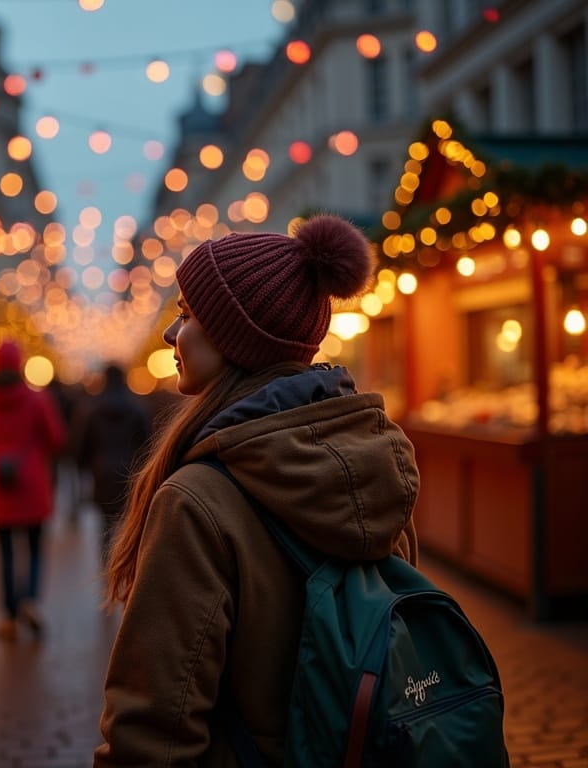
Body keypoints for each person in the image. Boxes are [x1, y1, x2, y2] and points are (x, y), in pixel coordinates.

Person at [93, 214, 421, 766]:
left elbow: (153, 728)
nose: (172, 334)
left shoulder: (198, 498)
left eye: (187, 315)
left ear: (233, 337)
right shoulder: (378, 460)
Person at [0, 339, 66, 641]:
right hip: (33, 484)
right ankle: (29, 598)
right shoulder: (37, 399)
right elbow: (56, 438)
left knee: (3, 552)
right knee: (33, 549)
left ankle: (7, 615)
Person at [72, 363, 151, 564]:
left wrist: (83, 468)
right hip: (129, 473)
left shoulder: (93, 409)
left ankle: (107, 568)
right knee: (128, 523)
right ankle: (125, 565)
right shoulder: (136, 409)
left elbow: (82, 445)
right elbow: (146, 445)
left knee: (105, 524)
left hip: (102, 472)